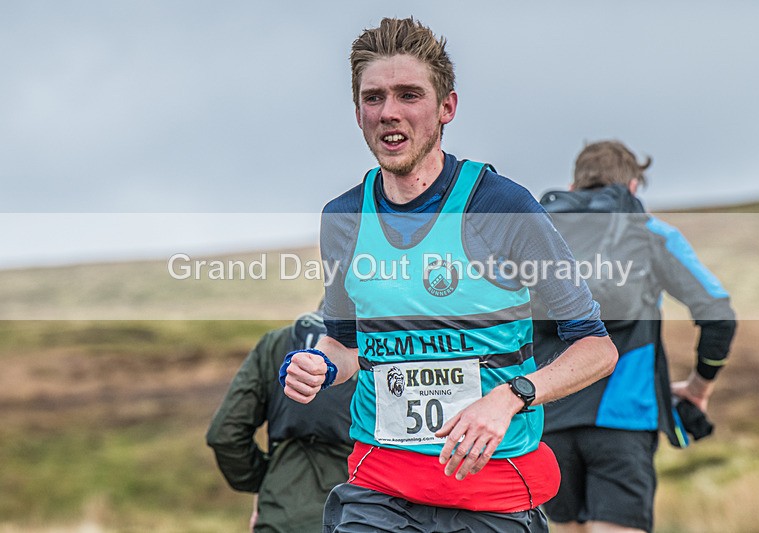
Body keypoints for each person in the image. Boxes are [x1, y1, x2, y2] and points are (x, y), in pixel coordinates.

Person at [280, 17, 618, 533]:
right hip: (379, 491)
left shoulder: (501, 207)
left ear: (446, 108)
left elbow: (596, 348)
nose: (389, 112)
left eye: (409, 94)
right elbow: (345, 344)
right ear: (357, 114)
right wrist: (317, 365)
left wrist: (511, 396)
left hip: (492, 493)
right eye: (374, 98)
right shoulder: (343, 218)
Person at [532, 140, 737, 533]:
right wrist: (699, 387)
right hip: (625, 417)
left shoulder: (538, 237)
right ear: (632, 188)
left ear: (574, 186)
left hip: (547, 419)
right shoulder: (648, 233)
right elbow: (718, 315)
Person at [206, 310, 356, 533]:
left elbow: (225, 434)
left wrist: (267, 483)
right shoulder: (388, 348)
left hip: (279, 517)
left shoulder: (276, 344)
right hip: (355, 514)